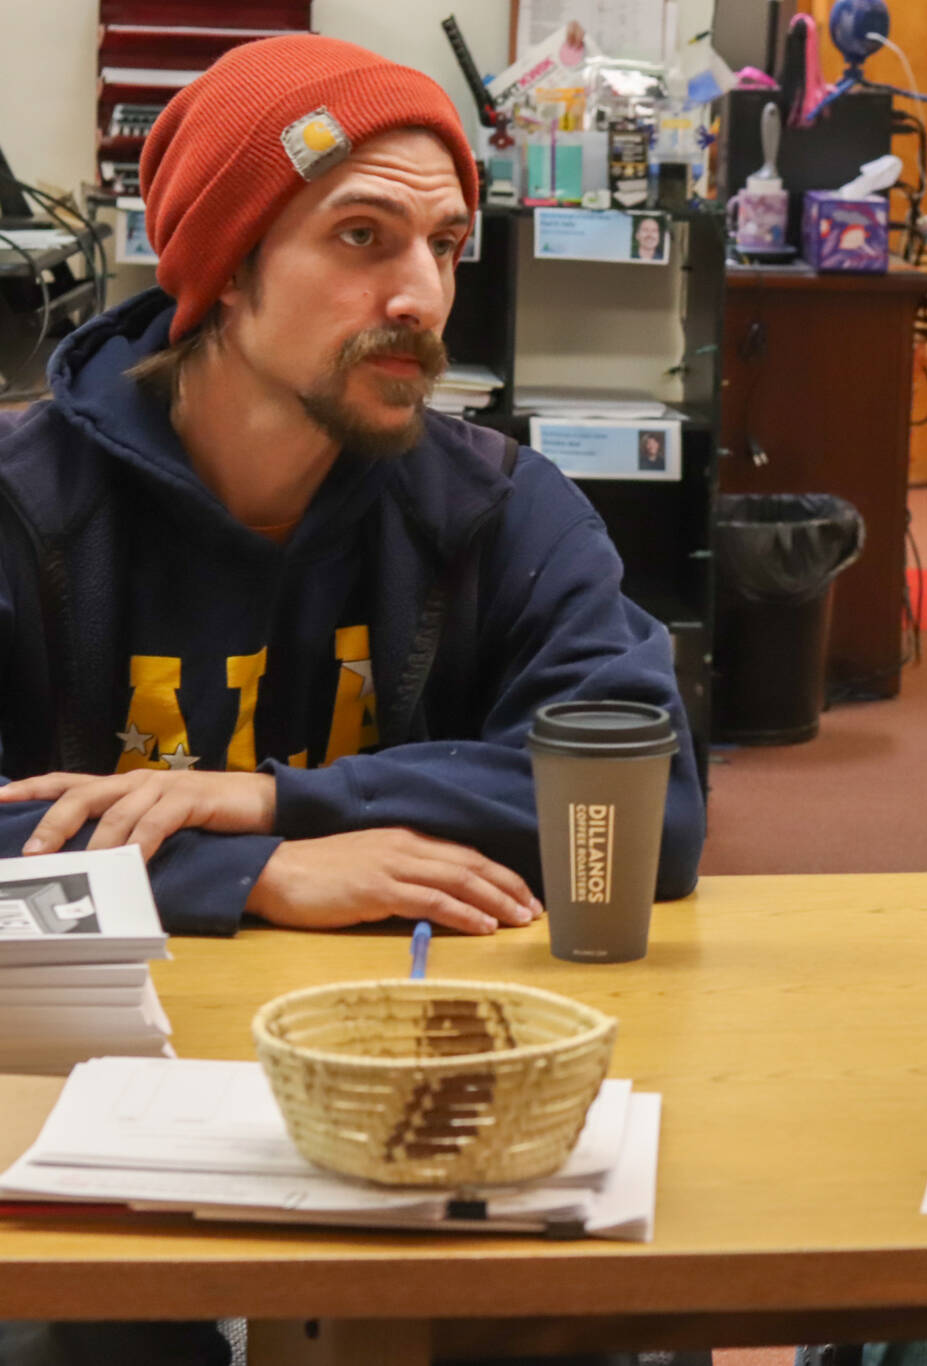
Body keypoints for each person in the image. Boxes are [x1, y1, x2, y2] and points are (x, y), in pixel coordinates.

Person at [0, 34, 704, 941]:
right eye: (361, 235)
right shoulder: (26, 503)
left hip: (412, 1035)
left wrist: (271, 802)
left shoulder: (499, 508)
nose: (422, 296)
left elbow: (644, 811)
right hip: (90, 1056)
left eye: (445, 244)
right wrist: (255, 872)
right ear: (225, 267)